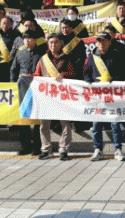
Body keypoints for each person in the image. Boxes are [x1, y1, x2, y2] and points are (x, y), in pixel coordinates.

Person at [85, 32, 125, 162]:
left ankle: (118, 149)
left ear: (109, 41)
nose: (101, 43)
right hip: (97, 97)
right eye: (98, 41)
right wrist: (89, 82)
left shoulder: (117, 55)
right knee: (96, 124)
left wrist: (113, 81)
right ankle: (97, 149)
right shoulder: (92, 57)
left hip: (113, 95)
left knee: (115, 124)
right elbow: (87, 73)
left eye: (103, 40)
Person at [35, 33, 78, 161]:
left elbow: (74, 73)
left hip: (62, 96)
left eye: (56, 42)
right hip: (46, 95)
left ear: (61, 44)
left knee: (65, 123)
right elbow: (37, 74)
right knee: (44, 124)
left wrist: (64, 75)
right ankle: (46, 149)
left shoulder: (67, 58)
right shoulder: (43, 59)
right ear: (48, 44)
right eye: (51, 42)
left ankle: (63, 150)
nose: (53, 45)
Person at [9, 30, 43, 156]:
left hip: (38, 90)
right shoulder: (20, 53)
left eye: (30, 38)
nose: (27, 41)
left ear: (35, 39)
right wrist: (13, 85)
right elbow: (13, 70)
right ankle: (25, 145)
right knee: (24, 118)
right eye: (25, 38)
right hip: (23, 89)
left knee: (38, 120)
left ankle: (38, 146)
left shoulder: (42, 54)